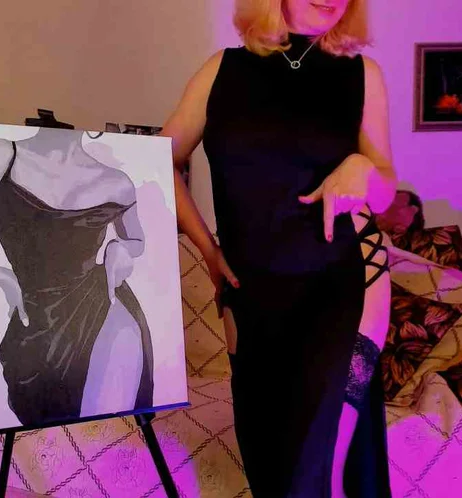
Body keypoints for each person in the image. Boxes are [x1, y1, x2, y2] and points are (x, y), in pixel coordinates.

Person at [161, 0, 396, 496]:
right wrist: (209, 251)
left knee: (311, 471)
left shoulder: (362, 74)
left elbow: (385, 188)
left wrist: (365, 169)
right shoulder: (221, 71)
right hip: (251, 291)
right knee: (269, 467)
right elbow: (160, 163)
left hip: (341, 279)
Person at [0, 128, 154, 427]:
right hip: (34, 324)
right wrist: (0, 276)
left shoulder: (117, 183)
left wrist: (121, 249)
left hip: (103, 304)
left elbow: (136, 241)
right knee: (54, 427)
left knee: (104, 431)